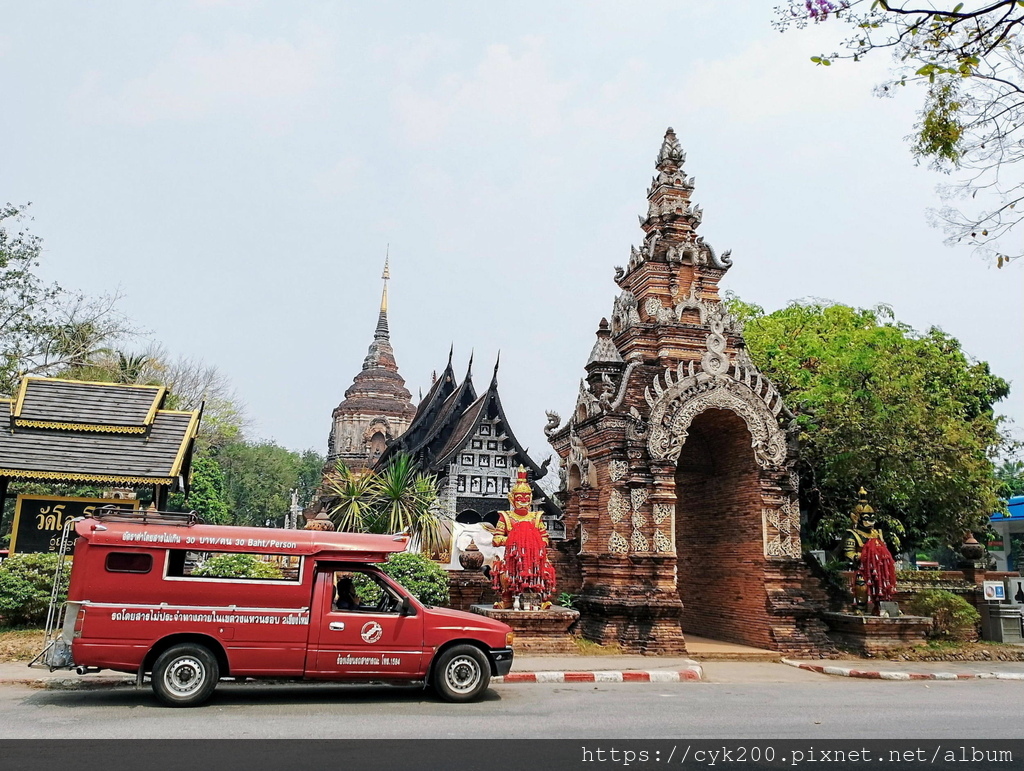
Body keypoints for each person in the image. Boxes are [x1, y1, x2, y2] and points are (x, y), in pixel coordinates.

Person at [490, 466, 556, 610]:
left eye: (526, 498)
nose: (523, 501)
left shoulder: (535, 517)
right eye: (519, 498)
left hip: (533, 557)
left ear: (531, 499)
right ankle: (507, 598)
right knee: (505, 571)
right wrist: (517, 541)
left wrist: (531, 542)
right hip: (512, 557)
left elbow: (545, 539)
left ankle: (540, 598)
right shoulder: (506, 517)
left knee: (545, 569)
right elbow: (496, 539)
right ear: (512, 499)